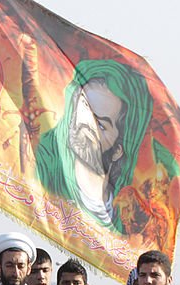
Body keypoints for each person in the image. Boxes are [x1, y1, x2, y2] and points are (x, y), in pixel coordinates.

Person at [35, 59, 152, 232]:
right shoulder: (41, 174)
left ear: (118, 150)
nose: (85, 124)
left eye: (101, 125)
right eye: (84, 109)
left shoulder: (125, 220)